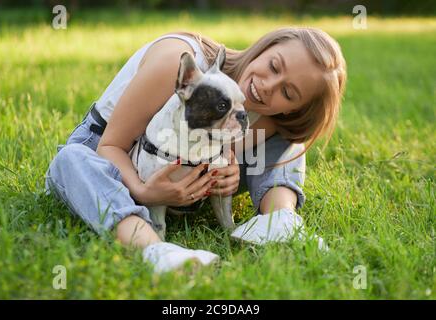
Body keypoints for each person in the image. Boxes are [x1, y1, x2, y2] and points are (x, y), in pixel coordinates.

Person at [44, 27, 346, 273]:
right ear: (264, 47)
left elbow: (229, 146)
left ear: (292, 107)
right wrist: (144, 191)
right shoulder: (177, 63)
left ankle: (278, 220)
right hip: (117, 161)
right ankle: (153, 249)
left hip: (188, 176)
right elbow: (111, 146)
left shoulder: (270, 116)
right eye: (274, 65)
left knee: (291, 136)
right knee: (71, 160)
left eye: (287, 93)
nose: (269, 85)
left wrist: (228, 167)